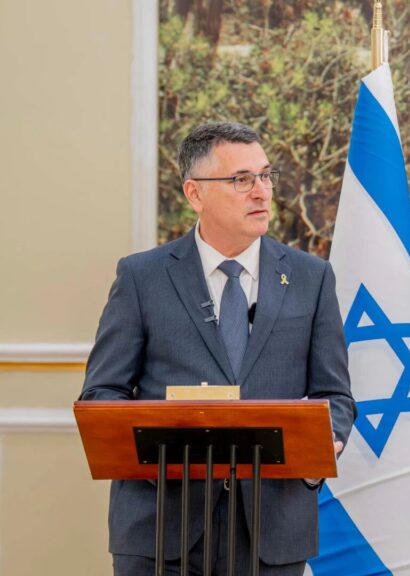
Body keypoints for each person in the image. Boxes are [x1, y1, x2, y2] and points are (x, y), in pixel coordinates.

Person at [80, 122, 355, 576]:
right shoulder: (141, 278)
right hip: (160, 531)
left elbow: (336, 395)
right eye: (241, 179)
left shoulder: (312, 278)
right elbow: (102, 393)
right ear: (195, 193)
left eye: (266, 175)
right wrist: (160, 454)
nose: (262, 192)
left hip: (272, 530)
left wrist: (320, 450)